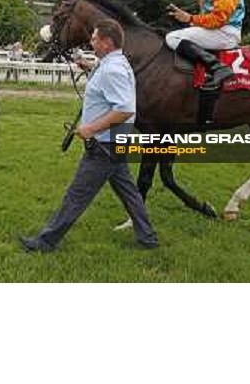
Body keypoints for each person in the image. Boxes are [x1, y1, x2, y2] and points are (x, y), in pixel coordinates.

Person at [19, 19, 159, 252]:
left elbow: (125, 109)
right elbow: (108, 85)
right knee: (130, 194)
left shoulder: (112, 69)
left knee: (76, 195)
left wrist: (91, 129)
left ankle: (45, 242)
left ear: (106, 42)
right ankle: (148, 238)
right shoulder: (113, 63)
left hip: (104, 144)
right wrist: (86, 67)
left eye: (94, 38)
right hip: (114, 143)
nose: (91, 41)